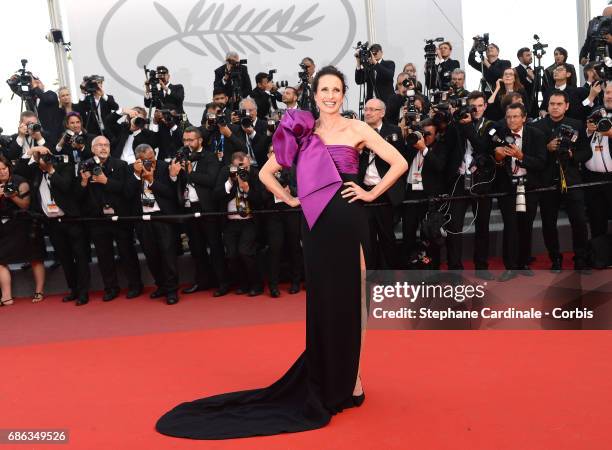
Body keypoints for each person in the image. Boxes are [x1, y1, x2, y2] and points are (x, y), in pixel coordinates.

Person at [155, 65, 408, 439]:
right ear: (316, 94)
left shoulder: (358, 128)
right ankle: (329, 373)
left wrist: (370, 193)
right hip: (317, 224)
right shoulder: (302, 133)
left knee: (355, 298)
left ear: (343, 93)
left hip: (350, 219)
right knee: (324, 300)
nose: (330, 95)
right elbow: (265, 173)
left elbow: (400, 162)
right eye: (324, 89)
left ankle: (353, 377)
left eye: (336, 89)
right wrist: (291, 197)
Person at [0, 155, 46, 306]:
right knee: (0, 260)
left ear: (8, 168)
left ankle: (39, 291)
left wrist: (12, 196)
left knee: (35, 257)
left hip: (24, 223)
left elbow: (25, 205)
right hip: (4, 226)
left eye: (4, 169)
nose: (2, 172)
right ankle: (6, 297)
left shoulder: (20, 181)